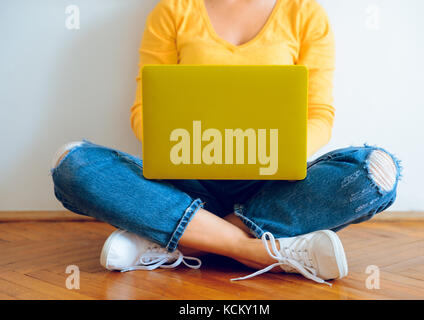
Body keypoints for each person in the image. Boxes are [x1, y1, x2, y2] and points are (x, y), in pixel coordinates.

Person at [51, 0, 401, 285]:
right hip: (186, 177)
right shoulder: (173, 10)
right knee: (73, 165)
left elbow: (319, 113)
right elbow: (145, 109)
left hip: (270, 182)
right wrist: (178, 146)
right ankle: (256, 248)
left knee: (375, 173)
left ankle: (180, 238)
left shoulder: (305, 13)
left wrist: (282, 152)